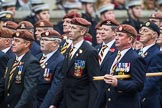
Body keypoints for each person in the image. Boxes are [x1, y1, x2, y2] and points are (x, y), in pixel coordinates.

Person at [50, 17, 100, 108]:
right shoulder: (68, 50)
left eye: (73, 28)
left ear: (82, 32)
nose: (69, 30)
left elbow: (94, 83)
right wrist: (55, 103)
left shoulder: (89, 51)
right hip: (66, 101)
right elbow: (63, 78)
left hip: (81, 102)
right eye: (70, 27)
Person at [102, 24, 146, 108]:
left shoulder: (135, 58)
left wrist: (118, 83)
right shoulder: (112, 57)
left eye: (120, 35)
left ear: (130, 39)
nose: (116, 38)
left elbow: (138, 84)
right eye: (116, 35)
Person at [0, 30, 41, 108]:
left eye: (17, 41)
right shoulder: (11, 61)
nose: (13, 43)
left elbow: (29, 90)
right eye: (13, 40)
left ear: (27, 44)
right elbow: (3, 83)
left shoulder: (32, 62)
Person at [95, 18, 119, 108]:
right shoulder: (96, 49)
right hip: (95, 93)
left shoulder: (118, 49)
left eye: (105, 30)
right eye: (101, 29)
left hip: (109, 94)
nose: (101, 32)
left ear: (114, 32)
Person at [37, 30, 64, 108]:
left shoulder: (60, 60)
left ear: (55, 43)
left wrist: (45, 106)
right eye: (41, 39)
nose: (42, 42)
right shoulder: (37, 57)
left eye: (45, 40)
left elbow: (55, 88)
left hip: (45, 102)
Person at [139, 21, 162, 108]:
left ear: (154, 35)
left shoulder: (157, 54)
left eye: (145, 31)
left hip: (147, 101)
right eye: (141, 30)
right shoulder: (137, 52)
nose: (141, 33)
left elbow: (152, 80)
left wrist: (137, 95)